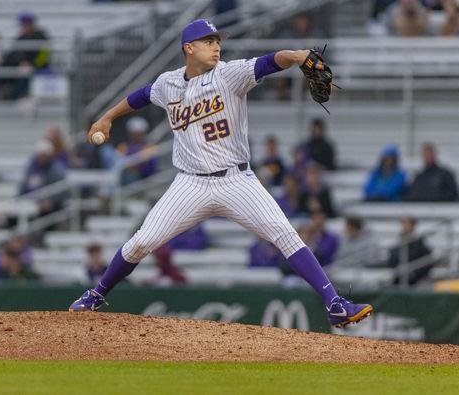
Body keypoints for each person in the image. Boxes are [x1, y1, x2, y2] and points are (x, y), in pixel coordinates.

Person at [70, 18, 373, 327]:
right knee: (140, 242)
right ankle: (96, 294)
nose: (216, 46)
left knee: (286, 235)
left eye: (218, 41)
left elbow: (269, 62)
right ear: (189, 48)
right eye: (208, 41)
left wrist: (296, 56)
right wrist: (108, 116)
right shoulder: (168, 83)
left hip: (236, 181)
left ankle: (335, 304)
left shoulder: (230, 74)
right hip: (189, 184)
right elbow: (141, 96)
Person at [3, 12, 50, 99]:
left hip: (37, 68)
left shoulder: (41, 37)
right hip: (19, 68)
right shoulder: (20, 38)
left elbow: (44, 56)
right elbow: (13, 55)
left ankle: (13, 97)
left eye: (27, 24)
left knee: (24, 77)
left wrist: (32, 65)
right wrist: (20, 63)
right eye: (23, 24)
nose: (24, 26)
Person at [18, 139, 67, 218]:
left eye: (44, 155)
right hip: (29, 201)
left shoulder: (56, 170)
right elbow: (23, 186)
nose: (41, 158)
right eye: (40, 155)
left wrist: (51, 201)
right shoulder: (32, 168)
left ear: (49, 155)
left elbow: (61, 190)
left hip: (47, 204)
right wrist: (18, 198)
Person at [387, 217, 432, 285]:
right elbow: (393, 260)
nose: (406, 226)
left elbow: (426, 262)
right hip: (400, 277)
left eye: (409, 224)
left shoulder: (420, 244)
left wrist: (414, 273)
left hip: (417, 278)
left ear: (413, 226)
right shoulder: (398, 243)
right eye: (404, 224)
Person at [118, 116, 159, 184]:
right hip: (129, 177)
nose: (136, 136)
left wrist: (134, 164)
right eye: (134, 133)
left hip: (146, 176)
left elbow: (149, 164)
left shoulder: (149, 146)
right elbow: (119, 163)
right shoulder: (123, 146)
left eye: (139, 133)